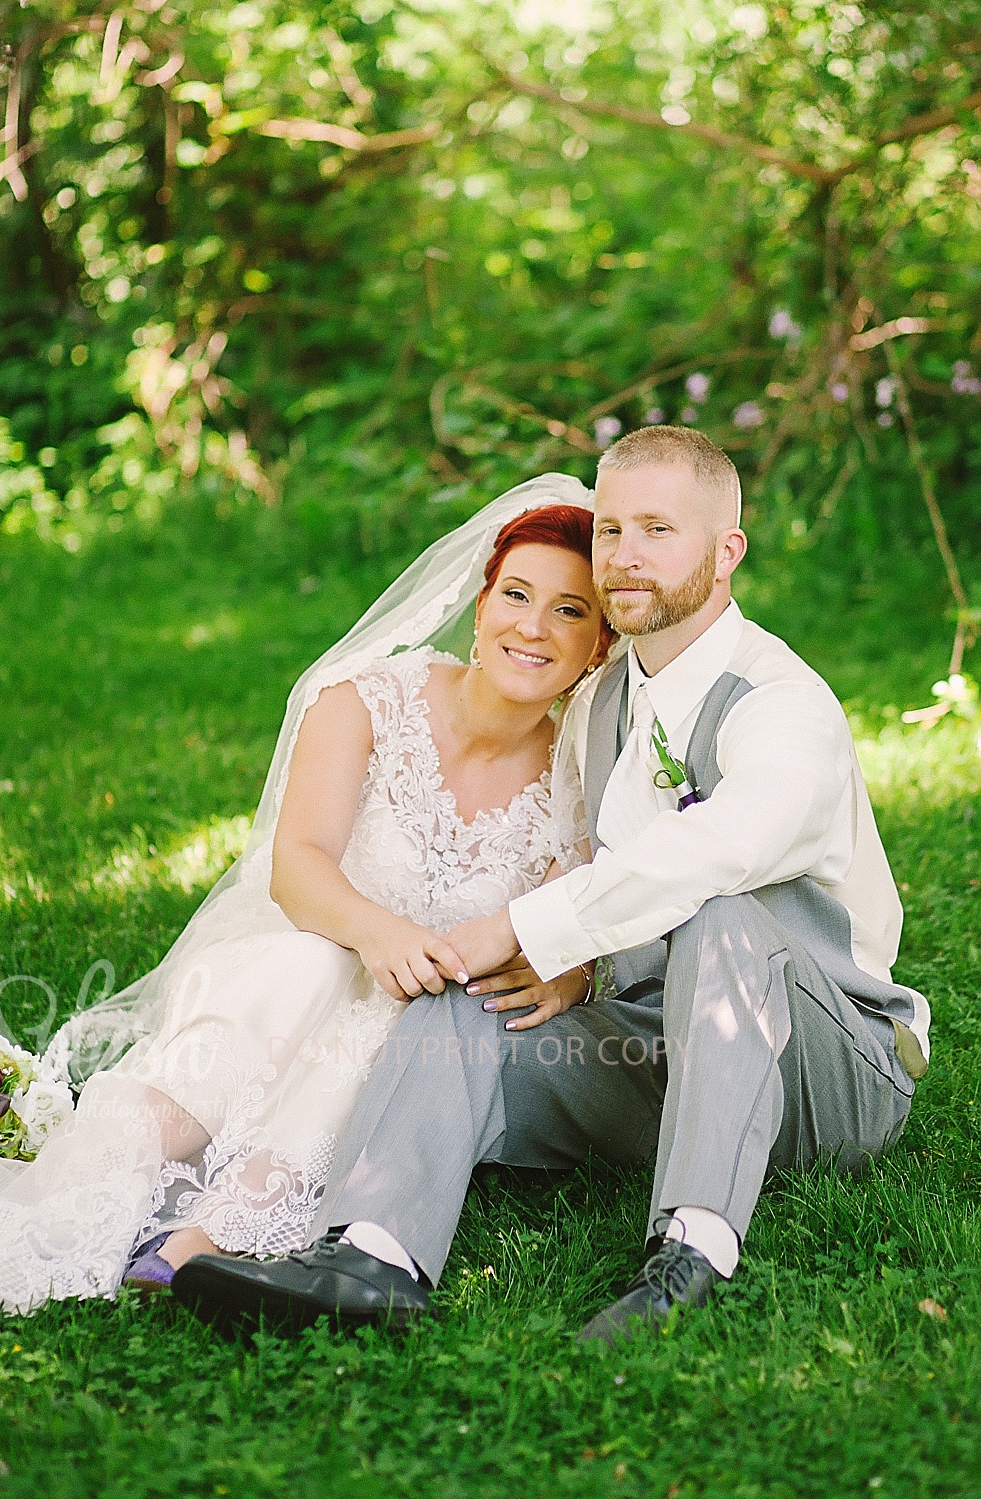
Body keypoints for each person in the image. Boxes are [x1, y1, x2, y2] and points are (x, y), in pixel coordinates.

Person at [174, 427, 929, 1344]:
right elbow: (573, 879)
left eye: (658, 529)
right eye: (611, 530)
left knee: (723, 914)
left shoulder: (779, 701)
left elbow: (724, 846)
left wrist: (533, 926)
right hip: (655, 1050)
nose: (624, 556)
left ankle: (690, 1252)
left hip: (823, 1066)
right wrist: (543, 961)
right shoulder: (599, 703)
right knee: (470, 988)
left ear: (727, 551)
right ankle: (372, 1254)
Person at [0, 476, 612, 1319]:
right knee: (313, 966)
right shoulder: (366, 699)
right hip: (305, 948)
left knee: (399, 1015)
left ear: (600, 644)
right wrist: (379, 935)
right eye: (518, 595)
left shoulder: (580, 776)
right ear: (480, 605)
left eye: (570, 611)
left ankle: (206, 1236)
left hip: (418, 1011)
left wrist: (566, 976)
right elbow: (300, 864)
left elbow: (571, 924)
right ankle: (98, 1182)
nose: (534, 626)